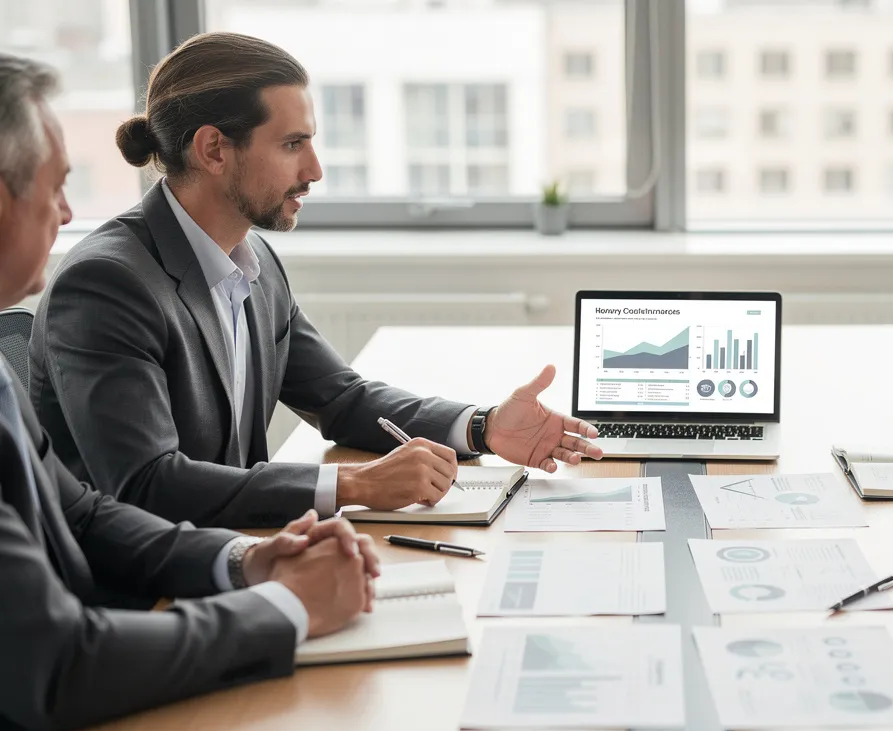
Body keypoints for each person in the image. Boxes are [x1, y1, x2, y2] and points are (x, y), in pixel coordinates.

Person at [27, 32, 602, 529]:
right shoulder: (107, 284)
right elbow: (146, 486)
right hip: (145, 595)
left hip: (237, 544)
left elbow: (342, 399)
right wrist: (351, 487)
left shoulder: (252, 263)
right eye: (293, 144)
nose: (315, 171)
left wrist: (482, 426)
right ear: (213, 150)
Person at [0, 53, 380, 731]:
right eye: (55, 187)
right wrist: (284, 607)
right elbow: (55, 664)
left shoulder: (256, 263)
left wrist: (247, 561)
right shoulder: (108, 280)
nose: (67, 212)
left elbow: (79, 511)